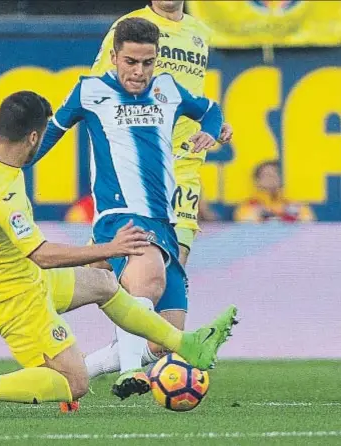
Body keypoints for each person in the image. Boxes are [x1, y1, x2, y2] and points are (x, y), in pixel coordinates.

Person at [0, 91, 237, 418]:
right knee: (74, 383)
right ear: (34, 137)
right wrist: (111, 248)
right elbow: (43, 255)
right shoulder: (4, 194)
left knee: (104, 283)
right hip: (14, 300)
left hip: (24, 279)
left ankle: (188, 344)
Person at [29, 17, 228, 399]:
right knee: (148, 281)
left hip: (164, 222)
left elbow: (211, 108)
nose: (139, 72)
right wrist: (5, 166)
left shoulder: (167, 89)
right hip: (119, 217)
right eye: (131, 62)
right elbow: (49, 134)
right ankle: (131, 372)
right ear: (115, 57)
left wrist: (210, 128)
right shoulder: (89, 91)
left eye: (147, 62)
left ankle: (59, 381)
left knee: (163, 345)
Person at [84, 0, 234, 391]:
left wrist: (214, 123)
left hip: (184, 171)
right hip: (141, 172)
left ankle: (93, 365)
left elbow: (192, 97)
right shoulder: (131, 26)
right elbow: (101, 92)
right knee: (129, 276)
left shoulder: (201, 33)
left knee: (162, 325)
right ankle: (122, 364)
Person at [234, 160, 315, 223]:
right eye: (267, 175)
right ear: (257, 181)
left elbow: (308, 222)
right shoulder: (249, 205)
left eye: (276, 174)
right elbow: (246, 224)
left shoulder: (293, 204)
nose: (272, 178)